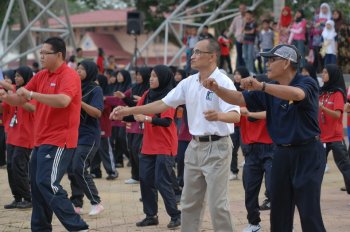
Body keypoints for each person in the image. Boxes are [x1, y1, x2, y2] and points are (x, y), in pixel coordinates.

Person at [110, 39, 241, 232]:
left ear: (212, 56)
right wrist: (128, 111)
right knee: (189, 203)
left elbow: (235, 115)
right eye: (192, 52)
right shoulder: (188, 82)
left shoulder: (223, 82)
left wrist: (219, 115)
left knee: (218, 205)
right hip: (195, 147)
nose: (193, 56)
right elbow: (163, 104)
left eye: (198, 52)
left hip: (218, 147)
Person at [203, 44, 326, 232]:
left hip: (307, 153)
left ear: (286, 63)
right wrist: (218, 89)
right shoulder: (270, 90)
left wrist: (262, 86)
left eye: (271, 60)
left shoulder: (306, 83)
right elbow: (238, 99)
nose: (267, 64)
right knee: (279, 212)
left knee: (309, 212)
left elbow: (297, 94)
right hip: (281, 154)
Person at [0, 37, 88, 231]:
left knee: (47, 182)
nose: (41, 56)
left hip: (60, 140)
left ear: (59, 55)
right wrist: (7, 97)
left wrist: (32, 95)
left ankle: (78, 226)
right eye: (40, 53)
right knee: (37, 186)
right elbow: (20, 98)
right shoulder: (41, 75)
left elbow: (63, 101)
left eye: (45, 53)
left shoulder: (69, 75)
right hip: (40, 140)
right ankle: (40, 228)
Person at [68, 60, 105, 216]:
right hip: (73, 134)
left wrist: (80, 102)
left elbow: (97, 113)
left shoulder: (95, 89)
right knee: (71, 169)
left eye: (82, 69)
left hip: (89, 136)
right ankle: (77, 204)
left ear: (89, 71)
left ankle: (96, 202)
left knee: (79, 167)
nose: (78, 71)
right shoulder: (73, 87)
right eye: (77, 68)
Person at [1, 66, 35, 209]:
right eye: (15, 76)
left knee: (19, 165)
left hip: (26, 135)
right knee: (10, 166)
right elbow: (4, 108)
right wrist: (5, 98)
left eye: (19, 76)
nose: (16, 78)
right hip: (12, 134)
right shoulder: (15, 91)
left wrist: (18, 100)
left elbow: (33, 108)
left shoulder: (30, 92)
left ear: (26, 77)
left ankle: (28, 197)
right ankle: (17, 197)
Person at [114, 67, 151, 184]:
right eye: (136, 74)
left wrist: (136, 101)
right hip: (132, 122)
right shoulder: (134, 88)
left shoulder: (149, 90)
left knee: (136, 149)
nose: (138, 77)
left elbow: (139, 106)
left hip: (142, 123)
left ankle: (142, 176)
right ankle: (135, 176)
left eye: (140, 74)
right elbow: (131, 103)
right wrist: (123, 98)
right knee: (131, 149)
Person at [319, 64, 350, 193]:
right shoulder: (322, 92)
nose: (323, 74)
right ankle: (310, 195)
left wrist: (323, 108)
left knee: (344, 166)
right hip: (321, 137)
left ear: (332, 74)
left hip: (335, 137)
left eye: (325, 72)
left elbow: (337, 115)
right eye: (323, 72)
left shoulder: (338, 93)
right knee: (317, 167)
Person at [229, 3, 246, 68]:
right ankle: (240, 69)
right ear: (239, 9)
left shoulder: (247, 18)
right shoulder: (236, 18)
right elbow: (232, 28)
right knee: (239, 54)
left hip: (246, 39)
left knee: (246, 55)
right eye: (241, 8)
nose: (242, 10)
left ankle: (246, 69)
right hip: (238, 39)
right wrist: (235, 34)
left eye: (243, 8)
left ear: (245, 9)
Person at [333, 9, 350, 74]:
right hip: (337, 43)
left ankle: (346, 73)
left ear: (339, 15)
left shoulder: (343, 23)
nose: (334, 15)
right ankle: (341, 73)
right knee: (339, 59)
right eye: (333, 14)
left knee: (345, 58)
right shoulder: (333, 22)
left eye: (336, 14)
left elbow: (346, 34)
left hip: (344, 45)